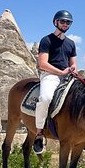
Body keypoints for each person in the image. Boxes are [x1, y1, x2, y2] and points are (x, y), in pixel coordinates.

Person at [33, 10, 78, 154]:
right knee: (45, 98)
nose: (65, 24)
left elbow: (74, 63)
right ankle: (39, 133)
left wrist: (73, 70)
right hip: (50, 75)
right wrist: (61, 72)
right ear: (55, 22)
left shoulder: (71, 43)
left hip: (66, 76)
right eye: (63, 21)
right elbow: (42, 64)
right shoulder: (47, 40)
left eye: (68, 22)